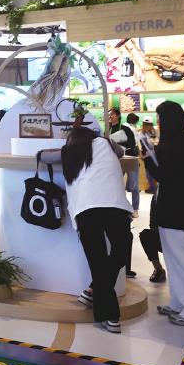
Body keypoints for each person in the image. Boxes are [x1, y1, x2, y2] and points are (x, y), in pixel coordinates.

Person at [40, 126, 132, 334]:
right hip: (113, 207)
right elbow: (121, 151)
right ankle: (110, 314)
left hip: (88, 210)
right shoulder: (107, 143)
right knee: (120, 252)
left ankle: (94, 292)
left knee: (98, 262)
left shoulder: (69, 152)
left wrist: (56, 149)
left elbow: (44, 157)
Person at [142, 100, 184, 329]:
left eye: (160, 119)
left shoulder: (170, 146)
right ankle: (179, 304)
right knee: (181, 261)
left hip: (173, 212)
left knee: (183, 263)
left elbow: (164, 176)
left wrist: (149, 162)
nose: (158, 123)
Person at [108, 108, 140, 218]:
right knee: (117, 185)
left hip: (130, 159)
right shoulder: (107, 129)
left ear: (118, 116)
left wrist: (120, 145)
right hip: (116, 160)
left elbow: (132, 143)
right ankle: (121, 207)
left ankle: (135, 209)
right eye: (109, 114)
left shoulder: (125, 129)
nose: (110, 116)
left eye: (112, 114)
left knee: (134, 185)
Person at [141, 118, 158, 194]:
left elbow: (155, 143)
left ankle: (153, 188)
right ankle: (152, 188)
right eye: (148, 125)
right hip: (147, 156)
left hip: (153, 155)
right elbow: (140, 145)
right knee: (149, 173)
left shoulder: (152, 133)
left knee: (151, 173)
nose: (150, 126)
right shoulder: (142, 134)